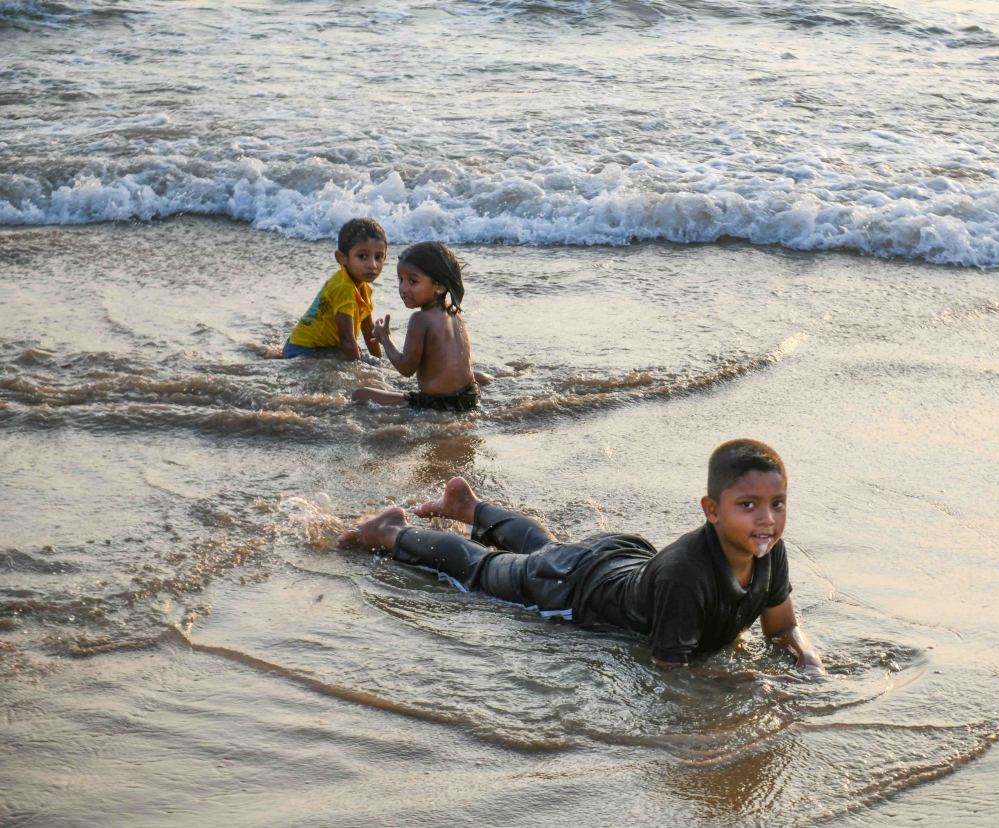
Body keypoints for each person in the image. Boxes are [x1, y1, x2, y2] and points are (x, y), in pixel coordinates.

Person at [339, 439, 827, 679]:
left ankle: (469, 508)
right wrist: (736, 684)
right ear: (712, 511)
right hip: (573, 592)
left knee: (549, 549)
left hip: (619, 560)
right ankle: (394, 531)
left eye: (777, 503)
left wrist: (807, 658)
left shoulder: (769, 550)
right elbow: (668, 670)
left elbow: (781, 625)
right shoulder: (689, 578)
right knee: (483, 571)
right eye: (749, 505)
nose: (766, 519)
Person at [351, 242, 481, 412]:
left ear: (439, 286)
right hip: (470, 396)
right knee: (475, 374)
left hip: (437, 404)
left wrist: (385, 339)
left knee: (360, 394)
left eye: (412, 281)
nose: (403, 288)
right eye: (401, 280)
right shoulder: (455, 314)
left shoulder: (420, 319)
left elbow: (406, 369)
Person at [282, 218, 386, 362]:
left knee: (359, 358)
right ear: (341, 258)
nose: (373, 265)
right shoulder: (343, 287)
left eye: (379, 257)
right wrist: (357, 373)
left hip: (319, 346)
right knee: (342, 371)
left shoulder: (364, 288)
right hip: (303, 350)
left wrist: (380, 362)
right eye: (363, 256)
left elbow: (369, 333)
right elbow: (347, 340)